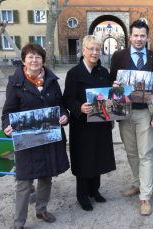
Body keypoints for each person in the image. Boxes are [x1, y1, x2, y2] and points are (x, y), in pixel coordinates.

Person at [1, 43, 70, 229]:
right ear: (24, 60)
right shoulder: (15, 83)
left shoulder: (51, 81)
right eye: (30, 57)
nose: (34, 60)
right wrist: (7, 125)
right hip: (27, 141)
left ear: (43, 60)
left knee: (46, 176)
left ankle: (41, 210)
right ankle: (19, 223)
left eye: (37, 57)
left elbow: (61, 105)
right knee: (24, 181)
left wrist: (64, 116)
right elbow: (8, 113)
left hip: (49, 138)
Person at [110, 19, 153, 216]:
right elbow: (110, 82)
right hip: (124, 112)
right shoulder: (118, 56)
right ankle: (137, 183)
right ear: (130, 37)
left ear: (147, 37)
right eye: (136, 35)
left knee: (146, 154)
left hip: (145, 113)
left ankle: (145, 197)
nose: (139, 39)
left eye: (142, 35)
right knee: (131, 152)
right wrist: (114, 85)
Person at [63, 35, 116, 212]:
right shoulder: (74, 74)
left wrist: (112, 114)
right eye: (91, 49)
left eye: (97, 49)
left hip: (101, 122)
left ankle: (95, 191)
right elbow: (67, 99)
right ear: (83, 50)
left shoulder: (104, 72)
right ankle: (82, 195)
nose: (94, 52)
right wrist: (79, 107)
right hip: (83, 125)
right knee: (85, 159)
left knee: (99, 156)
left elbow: (109, 96)